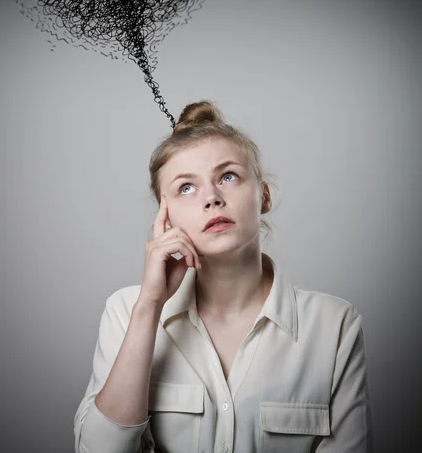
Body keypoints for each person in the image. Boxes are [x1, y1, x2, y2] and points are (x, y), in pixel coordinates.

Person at [74, 100, 374, 453]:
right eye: (187, 187)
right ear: (165, 220)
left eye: (228, 177)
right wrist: (149, 307)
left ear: (263, 196)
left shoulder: (334, 325)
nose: (212, 198)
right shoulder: (126, 310)